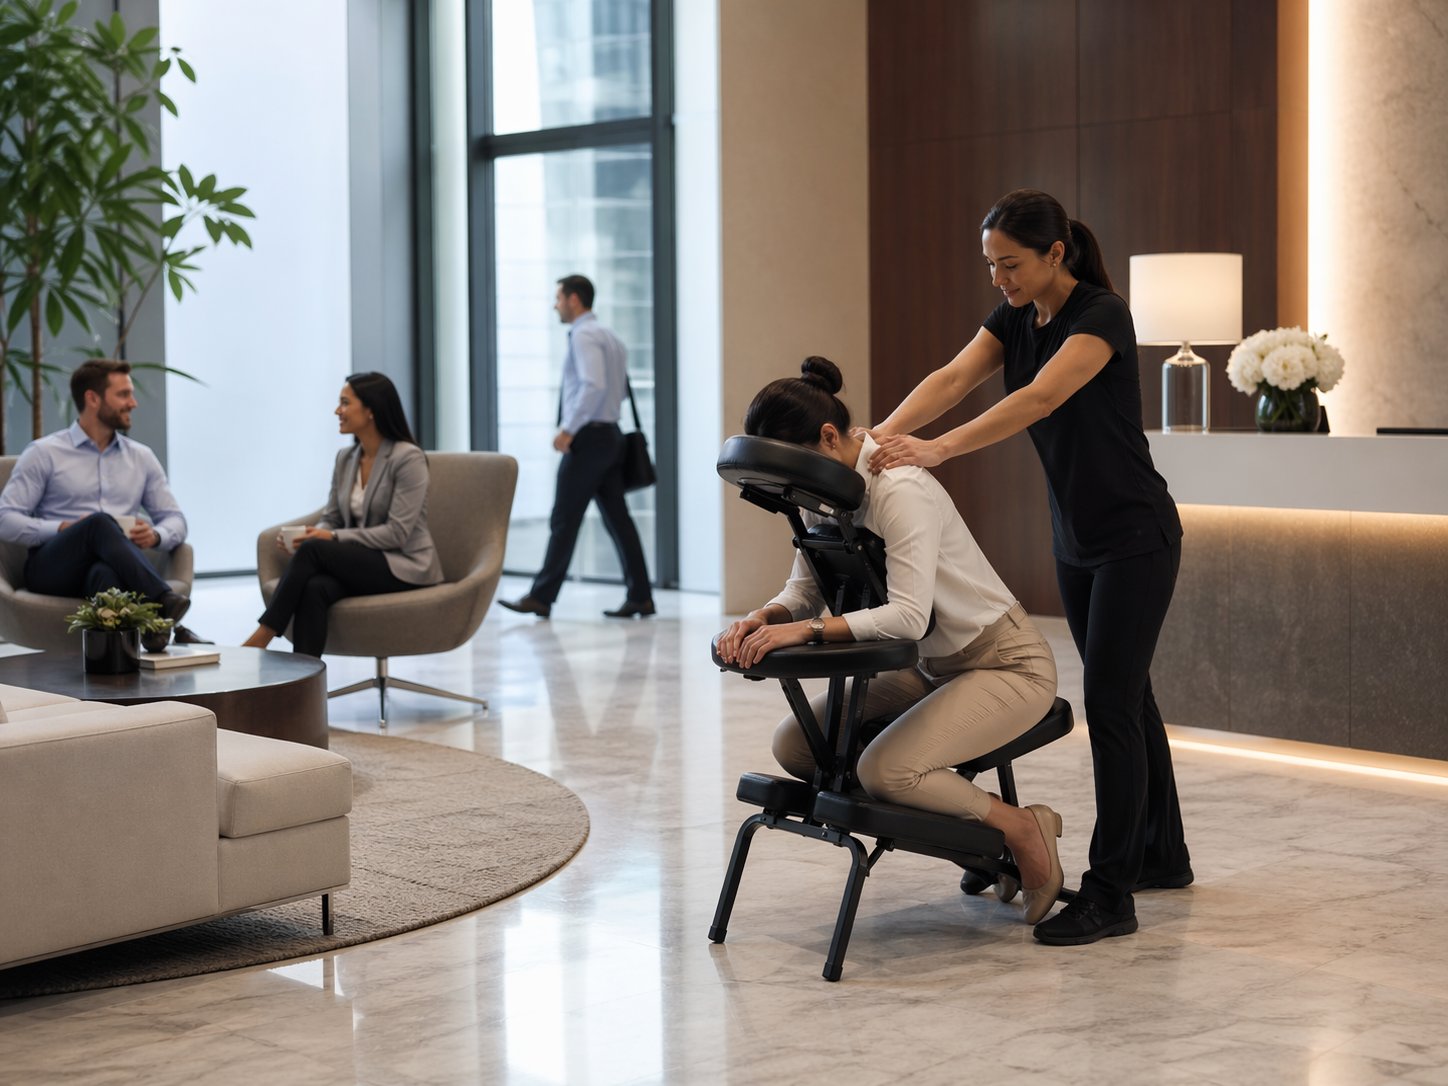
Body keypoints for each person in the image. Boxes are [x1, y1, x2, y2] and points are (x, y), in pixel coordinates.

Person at [865, 188, 1191, 946]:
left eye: (1009, 264)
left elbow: (1042, 398)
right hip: (1077, 540)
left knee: (1109, 706)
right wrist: (876, 439)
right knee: (1131, 698)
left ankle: (1112, 895)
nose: (998, 280)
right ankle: (1163, 855)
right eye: (989, 266)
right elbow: (952, 378)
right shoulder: (1014, 317)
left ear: (1054, 254)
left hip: (1137, 537)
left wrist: (939, 449)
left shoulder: (1101, 314)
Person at [716, 356, 1065, 926]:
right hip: (930, 668)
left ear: (829, 437)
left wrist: (802, 631)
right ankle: (978, 844)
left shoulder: (898, 488)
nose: (796, 489)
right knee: (798, 749)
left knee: (885, 772)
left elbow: (906, 617)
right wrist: (764, 616)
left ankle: (1023, 827)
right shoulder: (823, 492)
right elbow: (804, 590)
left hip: (1005, 664)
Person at [0, 359, 207, 642]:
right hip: (52, 568)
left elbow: (175, 519)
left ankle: (123, 666)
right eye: (123, 394)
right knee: (98, 523)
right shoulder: (44, 453)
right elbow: (6, 520)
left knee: (105, 573)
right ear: (92, 398)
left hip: (112, 565)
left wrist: (156, 535)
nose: (133, 403)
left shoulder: (141, 457)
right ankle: (163, 602)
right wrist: (64, 528)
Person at [243, 372, 442, 658]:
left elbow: (398, 533)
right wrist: (313, 534)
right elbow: (333, 517)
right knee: (315, 587)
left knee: (315, 550)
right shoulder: (346, 459)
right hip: (364, 562)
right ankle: (304, 689)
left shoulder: (407, 458)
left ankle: (266, 632)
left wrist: (329, 537)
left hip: (404, 565)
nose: (338, 410)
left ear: (371, 409)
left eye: (345, 403)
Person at [499, 274, 655, 620]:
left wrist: (568, 429)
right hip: (610, 435)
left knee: (564, 518)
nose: (554, 305)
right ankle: (641, 596)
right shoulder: (610, 336)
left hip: (590, 438)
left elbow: (592, 385)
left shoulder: (584, 335)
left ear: (574, 300)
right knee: (618, 520)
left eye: (558, 298)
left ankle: (541, 596)